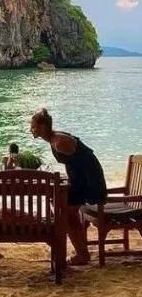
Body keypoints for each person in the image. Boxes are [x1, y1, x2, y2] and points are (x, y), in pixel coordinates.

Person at [30, 108, 107, 266]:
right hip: (82, 179)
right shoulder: (54, 139)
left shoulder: (59, 142)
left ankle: (81, 254)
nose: (31, 129)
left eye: (34, 126)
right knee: (62, 208)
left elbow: (83, 163)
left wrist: (73, 182)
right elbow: (74, 164)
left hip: (89, 181)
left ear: (43, 127)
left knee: (63, 212)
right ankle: (82, 253)